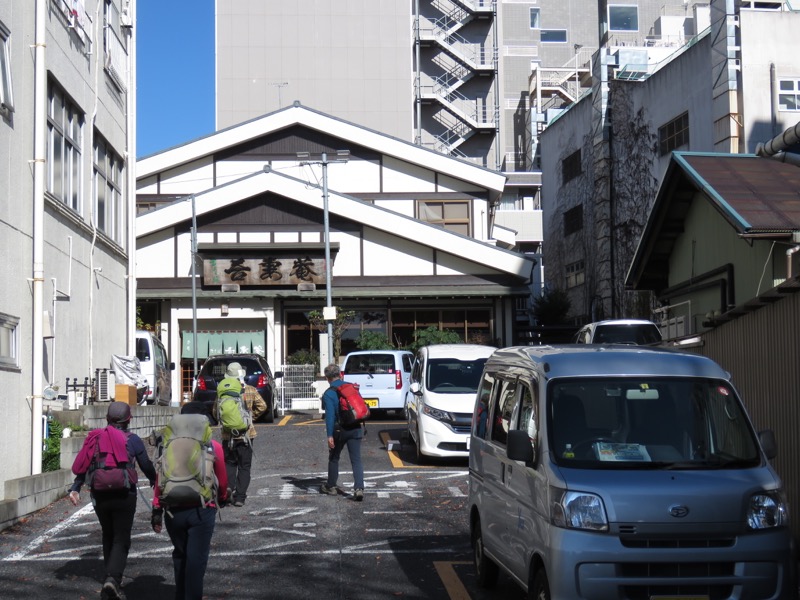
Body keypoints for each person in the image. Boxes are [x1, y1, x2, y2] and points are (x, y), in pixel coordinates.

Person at [69, 401, 157, 600]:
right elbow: (146, 464)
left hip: (100, 494)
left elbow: (84, 465)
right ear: (128, 420)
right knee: (121, 537)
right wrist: (154, 479)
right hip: (125, 494)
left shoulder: (96, 438)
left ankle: (110, 577)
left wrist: (76, 487)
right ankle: (113, 579)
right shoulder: (133, 439)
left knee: (108, 534)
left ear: (107, 419)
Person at [150, 413, 229, 600]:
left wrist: (156, 510)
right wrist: (223, 497)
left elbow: (159, 481)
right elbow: (223, 480)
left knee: (180, 554)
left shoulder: (166, 447)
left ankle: (181, 595)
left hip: (173, 509)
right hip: (202, 508)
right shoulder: (212, 446)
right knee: (196, 559)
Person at [216, 361, 266, 507]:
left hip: (228, 435)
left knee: (229, 464)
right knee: (244, 466)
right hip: (246, 435)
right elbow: (263, 406)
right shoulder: (249, 390)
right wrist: (251, 417)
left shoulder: (222, 391)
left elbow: (215, 411)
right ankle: (240, 498)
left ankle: (228, 491)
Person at [319, 363, 365, 501]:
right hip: (355, 426)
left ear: (327, 378)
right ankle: (358, 488)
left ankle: (331, 486)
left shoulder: (329, 393)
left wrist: (330, 435)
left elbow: (330, 416)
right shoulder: (351, 387)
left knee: (334, 457)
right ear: (340, 374)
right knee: (356, 460)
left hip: (340, 430)